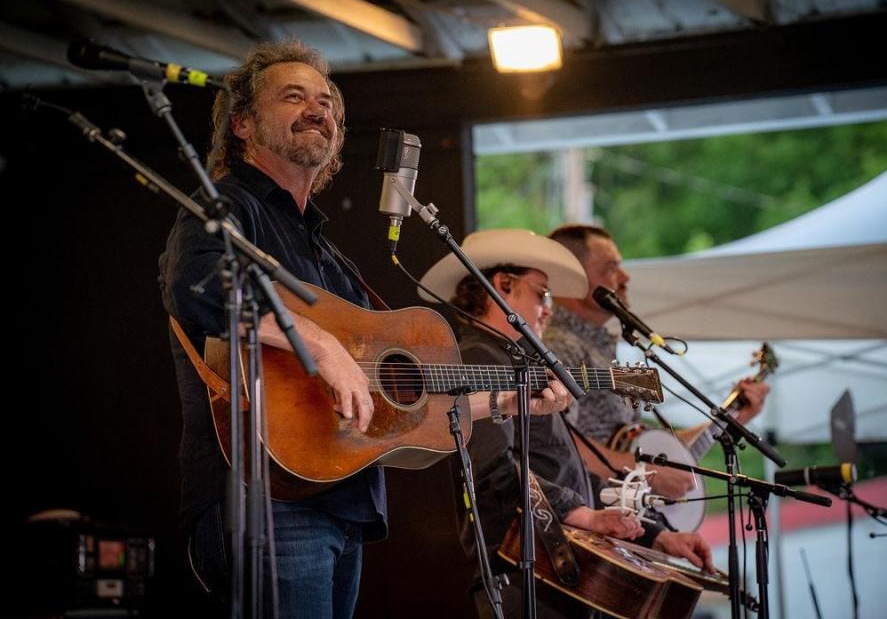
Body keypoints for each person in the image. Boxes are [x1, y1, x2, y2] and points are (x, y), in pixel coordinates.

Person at [158, 41, 571, 619]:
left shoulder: (325, 255)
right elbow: (198, 287)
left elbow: (404, 409)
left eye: (326, 101)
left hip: (343, 501)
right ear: (244, 124)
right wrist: (318, 344)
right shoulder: (226, 207)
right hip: (267, 500)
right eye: (294, 96)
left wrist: (509, 399)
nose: (318, 109)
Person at [419, 228, 715, 619]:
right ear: (503, 286)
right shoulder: (481, 359)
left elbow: (566, 471)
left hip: (552, 568)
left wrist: (656, 535)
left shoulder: (519, 366)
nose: (550, 307)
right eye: (542, 294)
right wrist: (586, 516)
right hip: (524, 572)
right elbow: (494, 471)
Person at [544, 225, 770, 495]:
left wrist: (733, 415)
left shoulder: (595, 343)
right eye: (611, 268)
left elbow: (660, 455)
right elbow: (558, 445)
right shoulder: (559, 344)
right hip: (587, 521)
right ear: (571, 278)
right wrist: (646, 473)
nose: (625, 277)